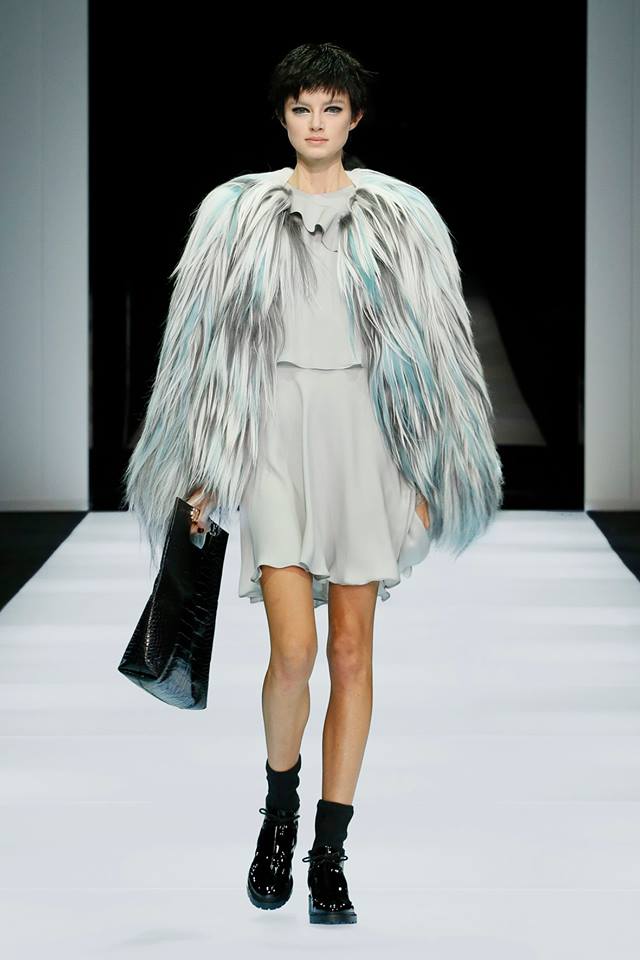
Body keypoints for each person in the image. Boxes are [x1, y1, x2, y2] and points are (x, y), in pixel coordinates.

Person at [123, 42, 503, 925]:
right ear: (284, 117)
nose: (318, 122)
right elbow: (203, 347)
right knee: (292, 650)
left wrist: (430, 466)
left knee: (351, 652)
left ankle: (330, 853)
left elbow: (438, 348)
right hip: (274, 436)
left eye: (332, 108)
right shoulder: (236, 215)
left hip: (367, 437)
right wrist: (204, 462)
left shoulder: (401, 215)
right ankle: (279, 811)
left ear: (355, 117)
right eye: (303, 108)